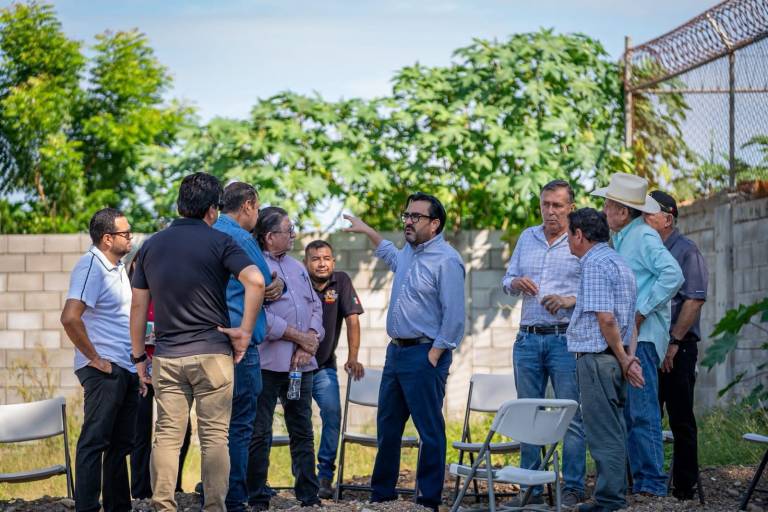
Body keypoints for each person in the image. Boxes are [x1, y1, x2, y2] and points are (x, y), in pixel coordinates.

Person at [129, 172, 266, 512]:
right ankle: (215, 507)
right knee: (215, 437)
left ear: (180, 205)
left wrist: (139, 358)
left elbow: (138, 306)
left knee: (166, 436)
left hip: (167, 356)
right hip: (212, 354)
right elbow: (256, 281)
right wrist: (244, 332)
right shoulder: (221, 242)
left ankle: (163, 505)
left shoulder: (151, 246)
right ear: (211, 210)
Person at [344, 192, 466, 512]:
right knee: (388, 427)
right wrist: (367, 230)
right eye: (406, 215)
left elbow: (454, 317)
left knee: (429, 430)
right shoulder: (409, 253)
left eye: (416, 217)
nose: (408, 222)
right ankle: (382, 497)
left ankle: (427, 501)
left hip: (424, 354)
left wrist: (434, 354)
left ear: (435, 224)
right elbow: (390, 254)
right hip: (396, 353)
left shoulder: (447, 260)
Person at [593, 173, 683, 497]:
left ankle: (652, 484)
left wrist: (642, 310)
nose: (604, 210)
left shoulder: (643, 236)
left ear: (622, 211)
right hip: (630, 337)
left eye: (608, 205)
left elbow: (673, 274)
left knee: (642, 412)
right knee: (632, 412)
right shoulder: (622, 238)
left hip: (642, 338)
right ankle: (642, 482)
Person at [501, 179, 586, 506]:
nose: (550, 211)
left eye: (557, 206)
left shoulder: (580, 241)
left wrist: (568, 300)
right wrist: (515, 283)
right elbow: (506, 280)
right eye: (545, 205)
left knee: (571, 415)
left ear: (570, 208)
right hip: (528, 338)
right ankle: (531, 490)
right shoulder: (527, 237)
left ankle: (573, 488)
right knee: (528, 414)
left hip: (565, 340)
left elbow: (594, 291)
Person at [212, 182, 286, 512]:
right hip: (240, 344)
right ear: (248, 205)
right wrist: (277, 282)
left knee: (214, 426)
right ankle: (235, 499)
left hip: (208, 343)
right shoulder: (241, 238)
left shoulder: (209, 230)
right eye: (257, 208)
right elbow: (265, 282)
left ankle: (213, 495)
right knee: (241, 425)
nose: (257, 214)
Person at [565, 207, 644, 512]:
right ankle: (612, 495)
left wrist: (624, 359)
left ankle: (609, 500)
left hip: (599, 359)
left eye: (569, 234)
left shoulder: (595, 264)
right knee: (614, 428)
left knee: (603, 432)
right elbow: (630, 321)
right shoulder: (618, 262)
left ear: (579, 235)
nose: (567, 240)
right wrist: (628, 357)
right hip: (615, 356)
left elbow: (606, 318)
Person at [61, 208, 138, 512]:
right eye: (125, 233)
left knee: (121, 445)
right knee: (95, 441)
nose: (131, 238)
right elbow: (70, 317)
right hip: (105, 368)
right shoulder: (91, 265)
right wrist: (95, 358)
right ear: (107, 238)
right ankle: (87, 507)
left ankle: (119, 507)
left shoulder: (117, 267)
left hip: (125, 366)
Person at [247, 206, 323, 510]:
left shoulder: (297, 266)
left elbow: (315, 306)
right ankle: (256, 496)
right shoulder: (254, 267)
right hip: (267, 366)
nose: (293, 235)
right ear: (269, 236)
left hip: (300, 366)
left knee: (302, 430)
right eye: (288, 230)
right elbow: (259, 317)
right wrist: (298, 337)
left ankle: (309, 495)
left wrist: (310, 341)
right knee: (259, 432)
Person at [645, 190, 708, 501]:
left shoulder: (686, 251)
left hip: (677, 349)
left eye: (649, 213)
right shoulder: (648, 248)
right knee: (647, 416)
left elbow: (693, 301)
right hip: (650, 346)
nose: (643, 218)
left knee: (680, 418)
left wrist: (673, 342)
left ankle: (684, 487)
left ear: (667, 218)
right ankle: (646, 482)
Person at [303, 239, 365, 498]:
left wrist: (353, 357)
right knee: (300, 421)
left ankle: (325, 476)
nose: (322, 263)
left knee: (332, 414)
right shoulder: (297, 281)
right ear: (306, 262)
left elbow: (352, 320)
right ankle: (303, 477)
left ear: (333, 261)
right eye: (316, 259)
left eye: (326, 258)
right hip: (293, 368)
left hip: (324, 366)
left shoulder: (341, 281)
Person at [129, 295, 192, 500]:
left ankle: (174, 486)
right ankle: (140, 491)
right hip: (141, 369)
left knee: (182, 428)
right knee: (140, 431)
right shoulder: (133, 296)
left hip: (170, 367)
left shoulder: (172, 290)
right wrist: (138, 358)